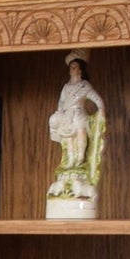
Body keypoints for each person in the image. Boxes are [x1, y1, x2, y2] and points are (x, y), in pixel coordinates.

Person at [48, 52, 105, 199]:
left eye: (74, 66)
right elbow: (61, 102)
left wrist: (101, 109)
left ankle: (80, 159)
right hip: (68, 116)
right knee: (69, 140)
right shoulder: (66, 87)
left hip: (79, 113)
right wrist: (60, 113)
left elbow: (95, 98)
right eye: (71, 66)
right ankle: (72, 160)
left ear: (80, 70)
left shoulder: (84, 86)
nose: (72, 69)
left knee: (80, 134)